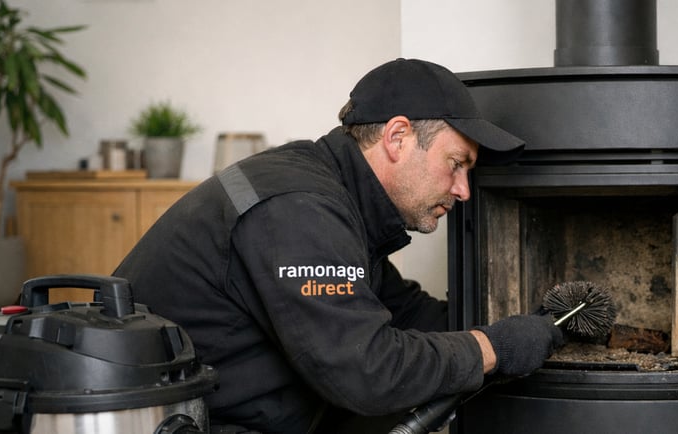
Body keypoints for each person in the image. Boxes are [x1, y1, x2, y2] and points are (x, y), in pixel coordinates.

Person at [112, 58, 564, 434]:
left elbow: (403, 312)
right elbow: (367, 372)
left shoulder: (336, 196)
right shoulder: (299, 208)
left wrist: (536, 325)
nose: (463, 190)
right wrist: (492, 348)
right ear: (398, 137)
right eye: (456, 163)